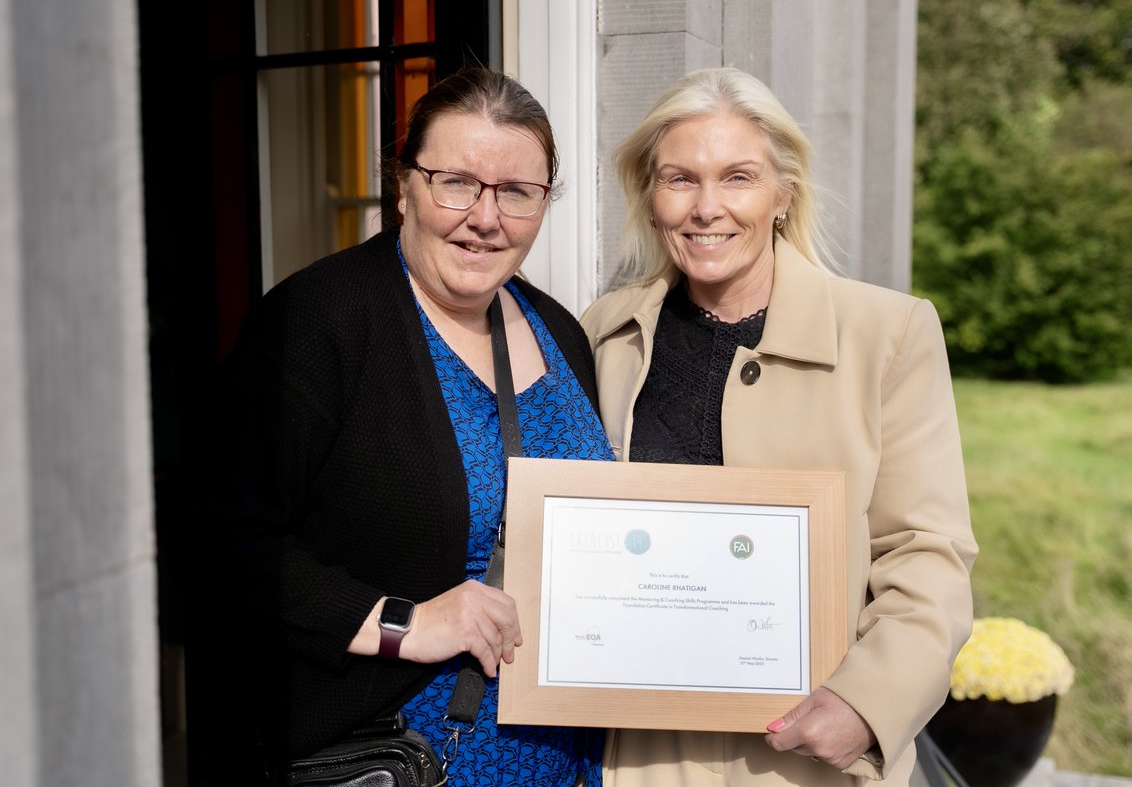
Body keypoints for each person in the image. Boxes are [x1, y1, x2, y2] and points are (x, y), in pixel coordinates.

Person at [580, 67, 977, 787]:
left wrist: (867, 703)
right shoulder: (603, 334)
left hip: (811, 760)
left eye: (738, 177)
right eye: (679, 179)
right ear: (649, 192)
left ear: (783, 194)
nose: (706, 208)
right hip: (636, 758)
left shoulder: (886, 334)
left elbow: (927, 555)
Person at [214, 66, 612, 786]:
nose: (485, 217)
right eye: (456, 181)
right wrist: (404, 622)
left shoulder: (560, 332)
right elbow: (232, 542)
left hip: (566, 763)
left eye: (517, 193)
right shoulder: (318, 323)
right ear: (404, 186)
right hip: (404, 759)